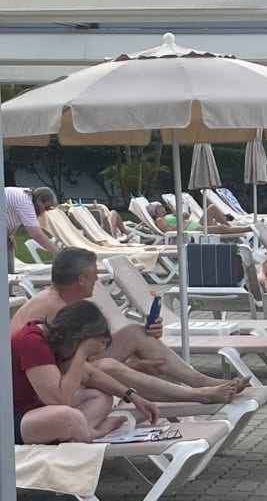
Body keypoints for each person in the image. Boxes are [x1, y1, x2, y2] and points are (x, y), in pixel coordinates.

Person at [10, 247, 246, 404]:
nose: (97, 280)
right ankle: (198, 394)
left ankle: (203, 381)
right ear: (81, 278)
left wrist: (140, 351)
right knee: (110, 366)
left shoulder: (65, 301)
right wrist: (132, 367)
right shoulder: (52, 308)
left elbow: (89, 348)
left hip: (60, 368)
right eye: (94, 275)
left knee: (135, 333)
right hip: (38, 385)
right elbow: (72, 365)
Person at [11, 300, 160, 444]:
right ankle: (95, 433)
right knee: (67, 416)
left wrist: (132, 396)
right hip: (9, 421)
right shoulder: (32, 341)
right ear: (78, 336)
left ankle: (75, 432)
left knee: (102, 396)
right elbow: (59, 400)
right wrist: (82, 352)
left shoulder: (58, 341)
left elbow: (90, 376)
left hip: (31, 409)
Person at [4, 186, 61, 274]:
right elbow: (36, 234)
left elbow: (14, 215)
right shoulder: (25, 203)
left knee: (8, 267)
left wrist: (10, 234)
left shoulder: (26, 196)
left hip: (4, 229)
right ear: (39, 200)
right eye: (46, 207)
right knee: (5, 272)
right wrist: (58, 253)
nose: (44, 211)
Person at [147, 202, 250, 235]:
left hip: (195, 225)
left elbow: (183, 221)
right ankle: (247, 229)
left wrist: (186, 216)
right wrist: (182, 221)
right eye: (161, 207)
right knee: (220, 228)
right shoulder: (159, 220)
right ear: (157, 210)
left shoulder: (167, 216)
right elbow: (169, 231)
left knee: (212, 208)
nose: (163, 208)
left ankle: (231, 229)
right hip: (192, 230)